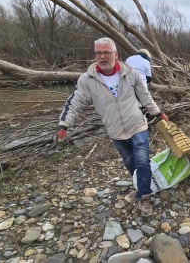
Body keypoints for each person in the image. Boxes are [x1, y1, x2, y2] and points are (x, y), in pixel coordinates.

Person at [55, 37, 168, 217]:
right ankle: (142, 185)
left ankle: (145, 197)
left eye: (106, 52)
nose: (102, 57)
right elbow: (75, 103)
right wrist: (64, 125)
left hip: (137, 124)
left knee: (142, 160)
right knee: (130, 163)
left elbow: (145, 96)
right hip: (115, 130)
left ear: (115, 54)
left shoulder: (131, 74)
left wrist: (158, 113)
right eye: (99, 53)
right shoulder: (87, 80)